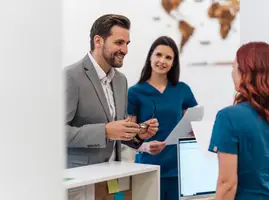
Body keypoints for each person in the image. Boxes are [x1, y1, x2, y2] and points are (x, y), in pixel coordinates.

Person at [65, 14, 158, 168]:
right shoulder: (71, 77)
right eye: (119, 43)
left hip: (114, 178)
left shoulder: (121, 80)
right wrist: (104, 131)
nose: (125, 50)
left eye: (127, 43)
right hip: (80, 178)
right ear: (98, 41)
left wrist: (137, 134)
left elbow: (117, 132)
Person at [208, 42, 269, 200]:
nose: (232, 73)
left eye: (234, 67)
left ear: (246, 73)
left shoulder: (228, 117)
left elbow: (227, 184)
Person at [127, 36, 198, 200]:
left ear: (174, 62)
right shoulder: (135, 92)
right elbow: (128, 136)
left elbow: (195, 121)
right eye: (158, 55)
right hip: (147, 167)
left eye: (168, 57)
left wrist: (194, 132)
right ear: (150, 56)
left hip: (177, 168)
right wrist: (144, 146)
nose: (162, 61)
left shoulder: (182, 90)